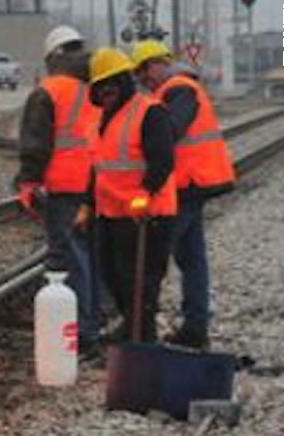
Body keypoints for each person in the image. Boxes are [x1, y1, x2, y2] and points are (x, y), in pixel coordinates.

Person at [131, 40, 236, 349]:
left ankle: (140, 327)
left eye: (142, 72)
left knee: (156, 256)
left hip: (188, 183)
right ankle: (195, 326)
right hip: (192, 182)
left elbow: (169, 132)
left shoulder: (178, 88)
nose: (142, 80)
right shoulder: (176, 88)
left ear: (156, 63)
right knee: (191, 258)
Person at [15, 25, 101, 355]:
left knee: (70, 260)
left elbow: (36, 145)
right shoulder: (94, 86)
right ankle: (90, 325)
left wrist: (28, 183)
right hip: (96, 186)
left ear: (52, 57)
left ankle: (79, 333)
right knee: (90, 259)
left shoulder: (47, 92)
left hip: (64, 188)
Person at [88, 48, 177, 343]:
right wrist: (89, 204)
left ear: (124, 82)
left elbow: (163, 160)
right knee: (113, 277)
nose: (106, 91)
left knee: (142, 281)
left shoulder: (150, 111)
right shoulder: (105, 119)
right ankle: (132, 327)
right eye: (100, 86)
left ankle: (143, 340)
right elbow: (101, 167)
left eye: (112, 83)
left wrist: (145, 193)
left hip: (147, 215)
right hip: (112, 213)